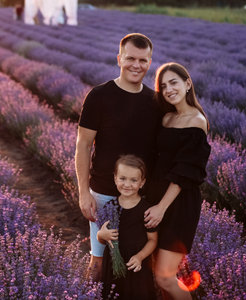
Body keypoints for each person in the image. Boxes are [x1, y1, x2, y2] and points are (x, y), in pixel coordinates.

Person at [75, 33, 162, 281]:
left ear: (150, 62)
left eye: (143, 60)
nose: (137, 65)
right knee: (99, 260)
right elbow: (83, 145)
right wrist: (83, 192)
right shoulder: (99, 96)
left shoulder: (154, 102)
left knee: (136, 262)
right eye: (131, 58)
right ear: (119, 59)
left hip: (140, 197)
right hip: (103, 192)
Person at [144, 62, 211, 299]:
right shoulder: (166, 118)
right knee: (156, 273)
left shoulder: (196, 121)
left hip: (179, 204)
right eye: (163, 86)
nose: (169, 89)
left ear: (187, 83)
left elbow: (186, 172)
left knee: (165, 276)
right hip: (154, 197)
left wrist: (161, 207)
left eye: (174, 82)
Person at [97, 155, 158, 299]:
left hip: (135, 263)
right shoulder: (110, 207)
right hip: (113, 262)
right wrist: (101, 235)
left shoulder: (146, 210)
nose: (127, 184)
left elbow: (153, 240)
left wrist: (140, 257)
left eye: (133, 180)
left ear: (142, 183)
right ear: (115, 178)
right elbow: (102, 237)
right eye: (122, 178)